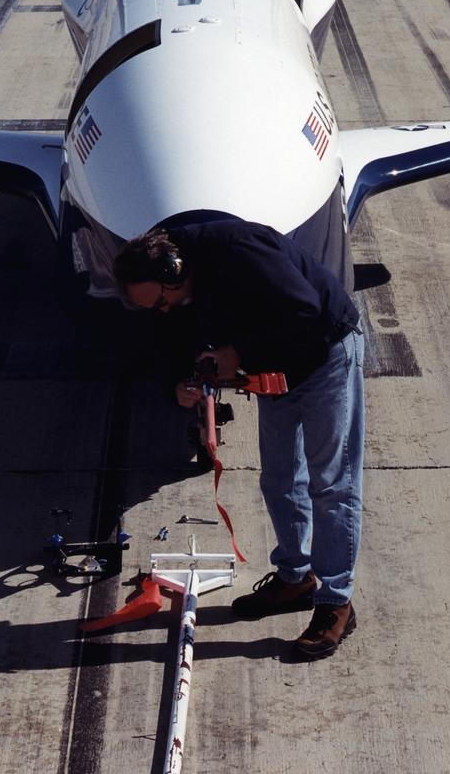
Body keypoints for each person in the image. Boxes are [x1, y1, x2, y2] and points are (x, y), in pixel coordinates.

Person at [113, 216, 365, 659]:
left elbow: (303, 311)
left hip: (325, 356)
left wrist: (238, 354)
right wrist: (179, 381)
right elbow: (172, 334)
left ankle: (335, 601)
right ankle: (294, 578)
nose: (164, 310)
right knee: (280, 478)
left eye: (162, 301)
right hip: (275, 373)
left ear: (173, 268)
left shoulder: (239, 249)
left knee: (331, 485)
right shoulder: (175, 287)